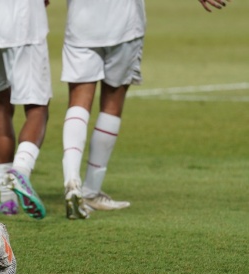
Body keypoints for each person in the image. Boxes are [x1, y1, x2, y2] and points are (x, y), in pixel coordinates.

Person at [61, 0, 232, 220]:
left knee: (78, 101)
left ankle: (71, 180)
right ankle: (91, 191)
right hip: (123, 22)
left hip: (81, 21)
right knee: (112, 102)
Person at [0, 0, 52, 219]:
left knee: (1, 107)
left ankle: (7, 199)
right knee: (38, 107)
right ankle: (21, 171)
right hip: (22, 23)